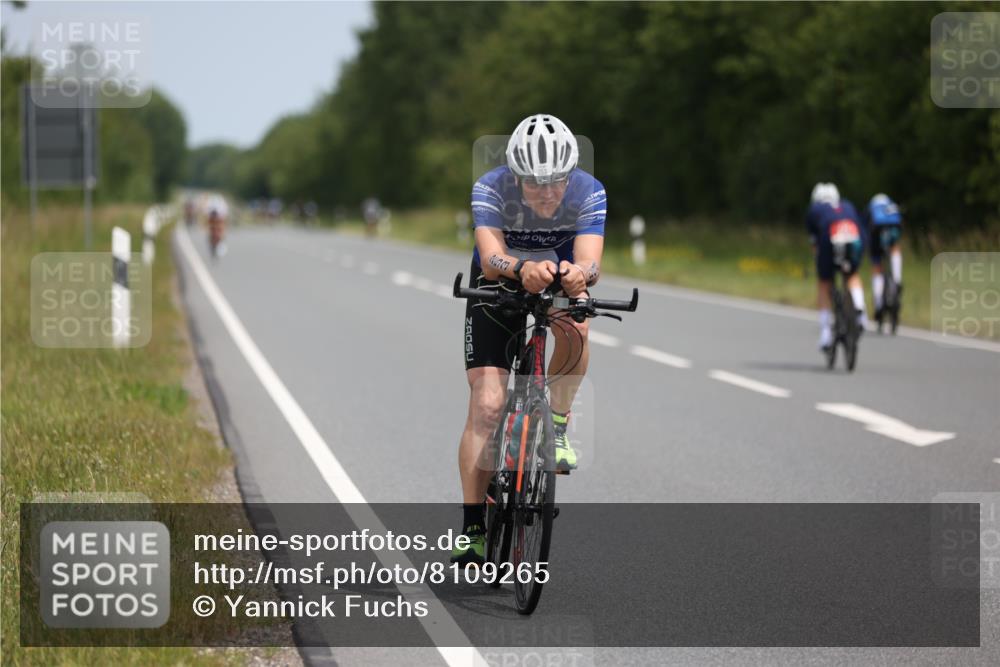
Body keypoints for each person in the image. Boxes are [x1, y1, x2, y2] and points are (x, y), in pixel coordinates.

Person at [451, 114, 606, 565]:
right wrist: (522, 269)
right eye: (535, 184)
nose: (548, 192)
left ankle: (555, 426)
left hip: (555, 275)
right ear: (515, 175)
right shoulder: (491, 186)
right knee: (488, 404)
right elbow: (491, 254)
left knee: (577, 325)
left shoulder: (589, 191)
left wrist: (580, 275)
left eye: (557, 181)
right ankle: (473, 525)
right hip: (499, 282)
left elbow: (590, 261)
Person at [805, 183, 867, 351]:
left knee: (824, 283)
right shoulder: (847, 205)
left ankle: (825, 334)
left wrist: (820, 264)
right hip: (854, 235)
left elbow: (815, 244)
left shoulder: (814, 209)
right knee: (852, 274)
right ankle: (861, 312)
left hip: (829, 237)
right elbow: (861, 228)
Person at [864, 193, 903, 320]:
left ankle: (879, 302)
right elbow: (900, 223)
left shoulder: (871, 206)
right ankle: (897, 279)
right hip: (893, 228)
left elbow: (864, 226)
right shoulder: (891, 204)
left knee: (877, 265)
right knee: (895, 247)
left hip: (876, 231)